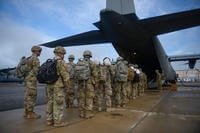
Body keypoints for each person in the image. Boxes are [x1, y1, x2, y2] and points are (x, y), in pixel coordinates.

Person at [46, 46, 70, 127]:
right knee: (58, 104)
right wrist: (68, 87)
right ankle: (58, 122)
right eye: (63, 54)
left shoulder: (50, 61)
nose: (64, 55)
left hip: (49, 85)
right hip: (58, 86)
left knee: (50, 102)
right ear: (60, 53)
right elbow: (65, 76)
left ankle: (49, 120)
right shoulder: (61, 62)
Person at [76, 50, 97, 118]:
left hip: (81, 83)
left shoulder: (79, 62)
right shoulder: (92, 63)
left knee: (81, 98)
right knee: (89, 98)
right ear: (90, 56)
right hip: (89, 83)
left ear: (84, 55)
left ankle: (81, 113)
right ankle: (88, 114)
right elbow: (95, 74)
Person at [24, 45, 42, 119]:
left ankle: (26, 112)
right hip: (32, 80)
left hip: (27, 79)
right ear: (36, 51)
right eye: (39, 51)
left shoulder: (28, 58)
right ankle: (30, 113)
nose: (40, 53)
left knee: (27, 96)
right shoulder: (35, 59)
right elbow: (36, 71)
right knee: (32, 96)